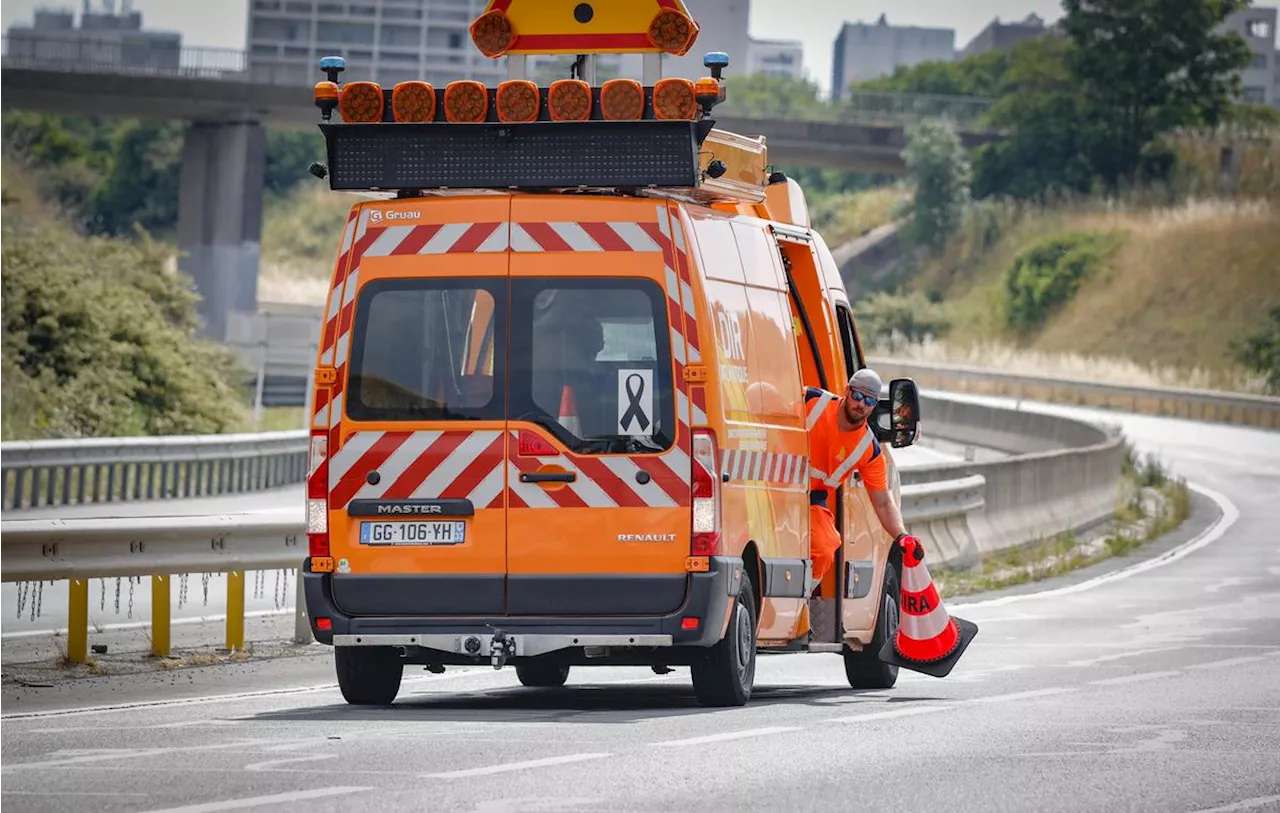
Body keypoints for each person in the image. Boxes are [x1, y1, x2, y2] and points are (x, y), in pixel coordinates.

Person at [805, 368, 913, 591]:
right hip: (775, 483)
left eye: (869, 400)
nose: (861, 404)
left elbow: (883, 502)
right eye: (857, 396)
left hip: (811, 499)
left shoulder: (869, 449)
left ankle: (801, 607)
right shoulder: (812, 400)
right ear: (847, 391)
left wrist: (902, 536)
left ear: (874, 405)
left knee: (826, 547)